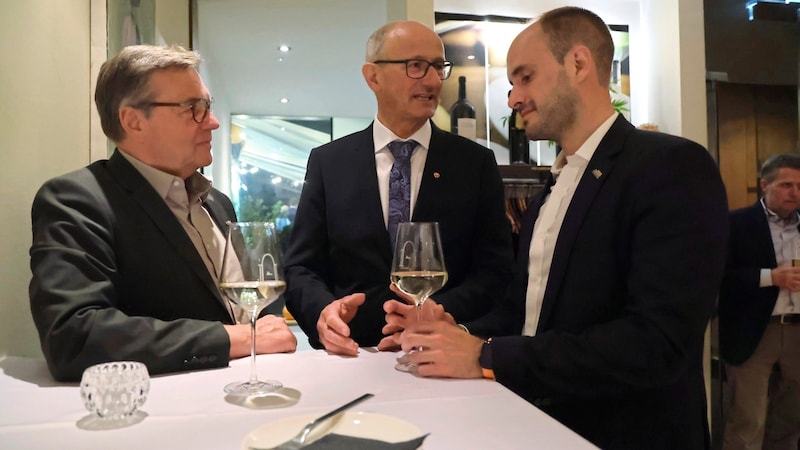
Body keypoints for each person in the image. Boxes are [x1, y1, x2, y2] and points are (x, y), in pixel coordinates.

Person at [391, 7, 729, 449]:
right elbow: (525, 315)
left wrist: (487, 355)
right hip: (536, 429)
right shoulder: (551, 189)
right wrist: (457, 326)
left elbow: (656, 343)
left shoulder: (671, 166)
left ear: (579, 63)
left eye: (525, 77)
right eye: (512, 83)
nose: (513, 98)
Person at [29, 44, 296, 382]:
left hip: (250, 394)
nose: (212, 122)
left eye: (208, 106)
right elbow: (73, 334)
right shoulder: (77, 200)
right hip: (156, 415)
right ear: (133, 120)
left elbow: (254, 299)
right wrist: (236, 338)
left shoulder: (217, 202)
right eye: (193, 108)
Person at [283, 21, 513, 356]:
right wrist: (322, 313)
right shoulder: (329, 163)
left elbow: (496, 270)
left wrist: (443, 314)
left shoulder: (474, 164)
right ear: (373, 76)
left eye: (438, 67)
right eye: (416, 66)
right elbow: (301, 267)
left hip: (441, 357)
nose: (433, 80)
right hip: (351, 357)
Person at [719, 153, 800, 450]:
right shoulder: (736, 222)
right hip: (754, 331)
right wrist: (771, 277)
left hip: (797, 332)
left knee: (792, 418)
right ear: (765, 185)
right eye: (786, 185)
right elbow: (719, 276)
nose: (795, 193)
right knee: (748, 419)